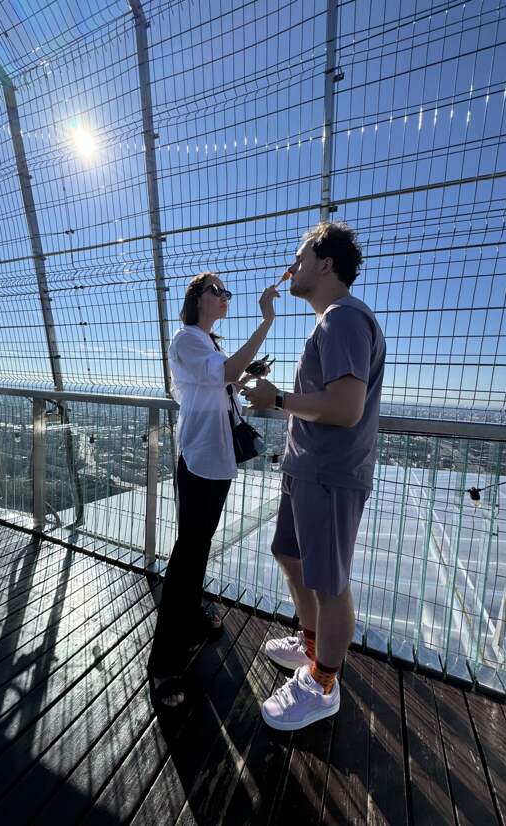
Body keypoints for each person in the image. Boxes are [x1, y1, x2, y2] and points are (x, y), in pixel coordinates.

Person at [242, 221, 386, 731]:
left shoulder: (342, 320)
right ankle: (310, 644)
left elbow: (345, 408)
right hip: (307, 468)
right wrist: (277, 398)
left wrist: (277, 398)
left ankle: (323, 682)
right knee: (289, 553)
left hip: (328, 473)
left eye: (300, 257)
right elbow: (322, 403)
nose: (292, 267)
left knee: (330, 584)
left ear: (326, 265)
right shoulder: (330, 322)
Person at [147, 271, 280, 709]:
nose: (224, 296)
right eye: (216, 291)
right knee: (187, 555)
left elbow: (221, 384)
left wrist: (246, 376)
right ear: (196, 298)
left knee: (199, 546)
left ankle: (192, 614)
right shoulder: (187, 339)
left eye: (226, 292)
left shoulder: (209, 344)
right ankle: (164, 663)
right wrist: (265, 323)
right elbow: (221, 375)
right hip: (201, 460)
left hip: (217, 462)